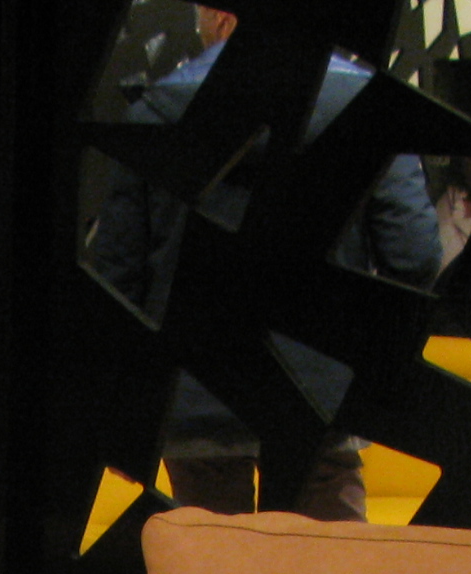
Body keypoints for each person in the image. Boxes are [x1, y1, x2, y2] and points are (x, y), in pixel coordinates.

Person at [88, 7, 441, 519]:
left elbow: (117, 279)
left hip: (197, 389)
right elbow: (414, 256)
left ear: (221, 18)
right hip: (321, 391)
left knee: (214, 563)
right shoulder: (371, 105)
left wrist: (125, 415)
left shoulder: (156, 111)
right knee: (326, 561)